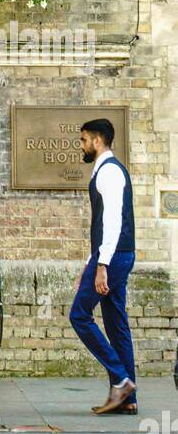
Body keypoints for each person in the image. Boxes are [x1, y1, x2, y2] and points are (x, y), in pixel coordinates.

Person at [69, 118, 137, 415]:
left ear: (97, 141)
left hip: (113, 257)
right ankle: (128, 400)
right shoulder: (106, 170)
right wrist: (91, 264)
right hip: (116, 254)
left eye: (84, 140)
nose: (82, 146)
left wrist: (101, 265)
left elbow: (111, 221)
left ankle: (121, 380)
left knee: (79, 315)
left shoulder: (109, 171)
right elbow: (102, 225)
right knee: (116, 324)